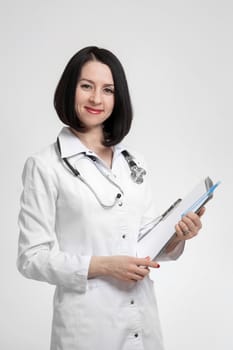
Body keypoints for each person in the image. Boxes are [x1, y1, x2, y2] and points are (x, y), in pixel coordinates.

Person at [17, 46, 205, 350]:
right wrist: (104, 266)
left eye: (108, 90)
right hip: (86, 328)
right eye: (86, 86)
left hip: (141, 323)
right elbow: (31, 258)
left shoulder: (134, 162)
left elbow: (143, 243)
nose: (96, 99)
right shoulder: (44, 165)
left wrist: (176, 236)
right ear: (69, 89)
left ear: (118, 99)